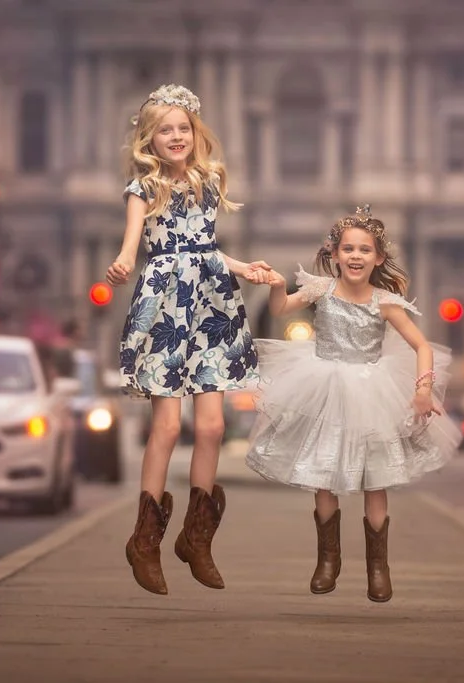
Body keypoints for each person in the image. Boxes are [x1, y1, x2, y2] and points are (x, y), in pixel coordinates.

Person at [246, 205, 462, 602]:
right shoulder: (319, 290)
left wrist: (423, 389)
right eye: (348, 249)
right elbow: (279, 308)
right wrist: (277, 285)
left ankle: (378, 567)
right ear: (334, 254)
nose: (356, 256)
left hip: (370, 390)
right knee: (323, 473)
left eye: (364, 250)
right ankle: (328, 559)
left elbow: (420, 346)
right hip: (325, 386)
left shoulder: (385, 302)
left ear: (378, 258)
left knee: (374, 480)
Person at [105, 83, 272, 596]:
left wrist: (245, 268)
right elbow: (137, 242)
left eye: (182, 128)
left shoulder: (209, 182)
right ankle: (145, 541)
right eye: (164, 130)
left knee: (213, 426)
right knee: (167, 425)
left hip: (213, 305)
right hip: (165, 307)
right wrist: (125, 260)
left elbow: (205, 248)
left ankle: (196, 538)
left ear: (195, 134)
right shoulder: (143, 189)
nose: (175, 137)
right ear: (148, 140)